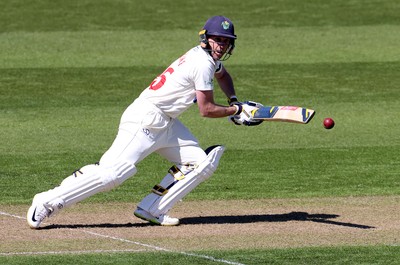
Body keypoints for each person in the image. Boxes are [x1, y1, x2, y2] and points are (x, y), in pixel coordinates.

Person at [27, 15, 261, 229]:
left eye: (226, 41)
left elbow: (223, 75)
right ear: (206, 39)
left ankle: (153, 208)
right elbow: (206, 109)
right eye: (217, 39)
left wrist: (233, 100)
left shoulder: (208, 59)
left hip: (167, 122)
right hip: (145, 118)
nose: (221, 45)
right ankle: (47, 201)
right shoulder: (202, 63)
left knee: (200, 163)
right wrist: (237, 110)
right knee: (114, 173)